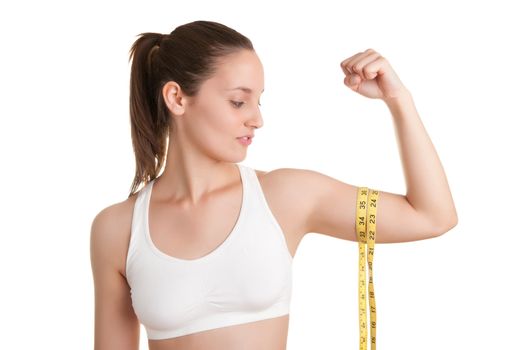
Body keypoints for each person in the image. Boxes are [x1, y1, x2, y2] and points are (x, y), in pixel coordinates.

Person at [90, 20, 458, 350]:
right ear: (177, 98)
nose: (257, 119)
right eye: (238, 101)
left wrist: (399, 101)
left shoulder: (285, 197)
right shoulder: (117, 229)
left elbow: (431, 216)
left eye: (259, 101)